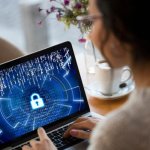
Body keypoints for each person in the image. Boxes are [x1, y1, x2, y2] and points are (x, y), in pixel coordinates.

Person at [22, 0, 150, 149]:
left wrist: (113, 133)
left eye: (93, 21)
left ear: (119, 30)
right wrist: (111, 128)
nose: (89, 36)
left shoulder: (116, 134)